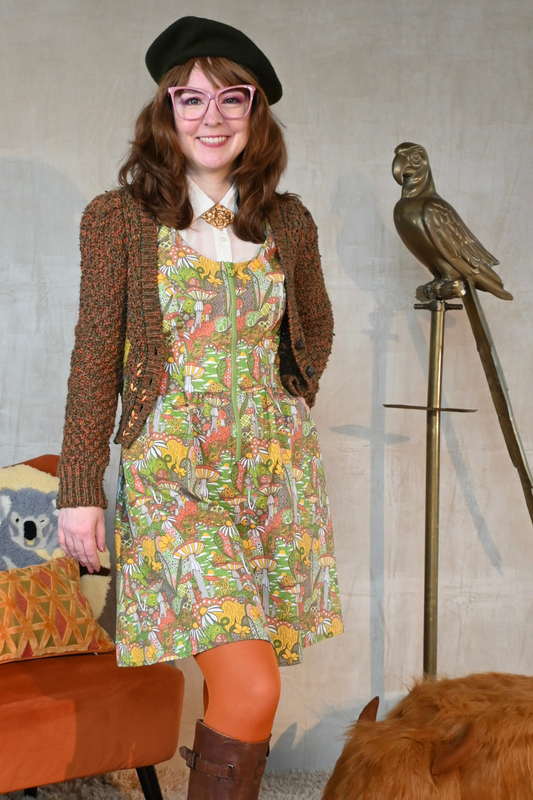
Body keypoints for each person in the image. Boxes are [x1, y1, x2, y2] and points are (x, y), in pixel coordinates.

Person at [57, 16, 343, 800]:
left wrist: (289, 392)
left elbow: (314, 324)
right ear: (165, 112)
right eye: (189, 100)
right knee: (252, 687)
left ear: (257, 111)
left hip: (273, 481)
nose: (209, 118)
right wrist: (80, 485)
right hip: (175, 480)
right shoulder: (117, 220)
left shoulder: (288, 222)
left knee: (233, 684)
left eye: (230, 98)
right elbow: (94, 357)